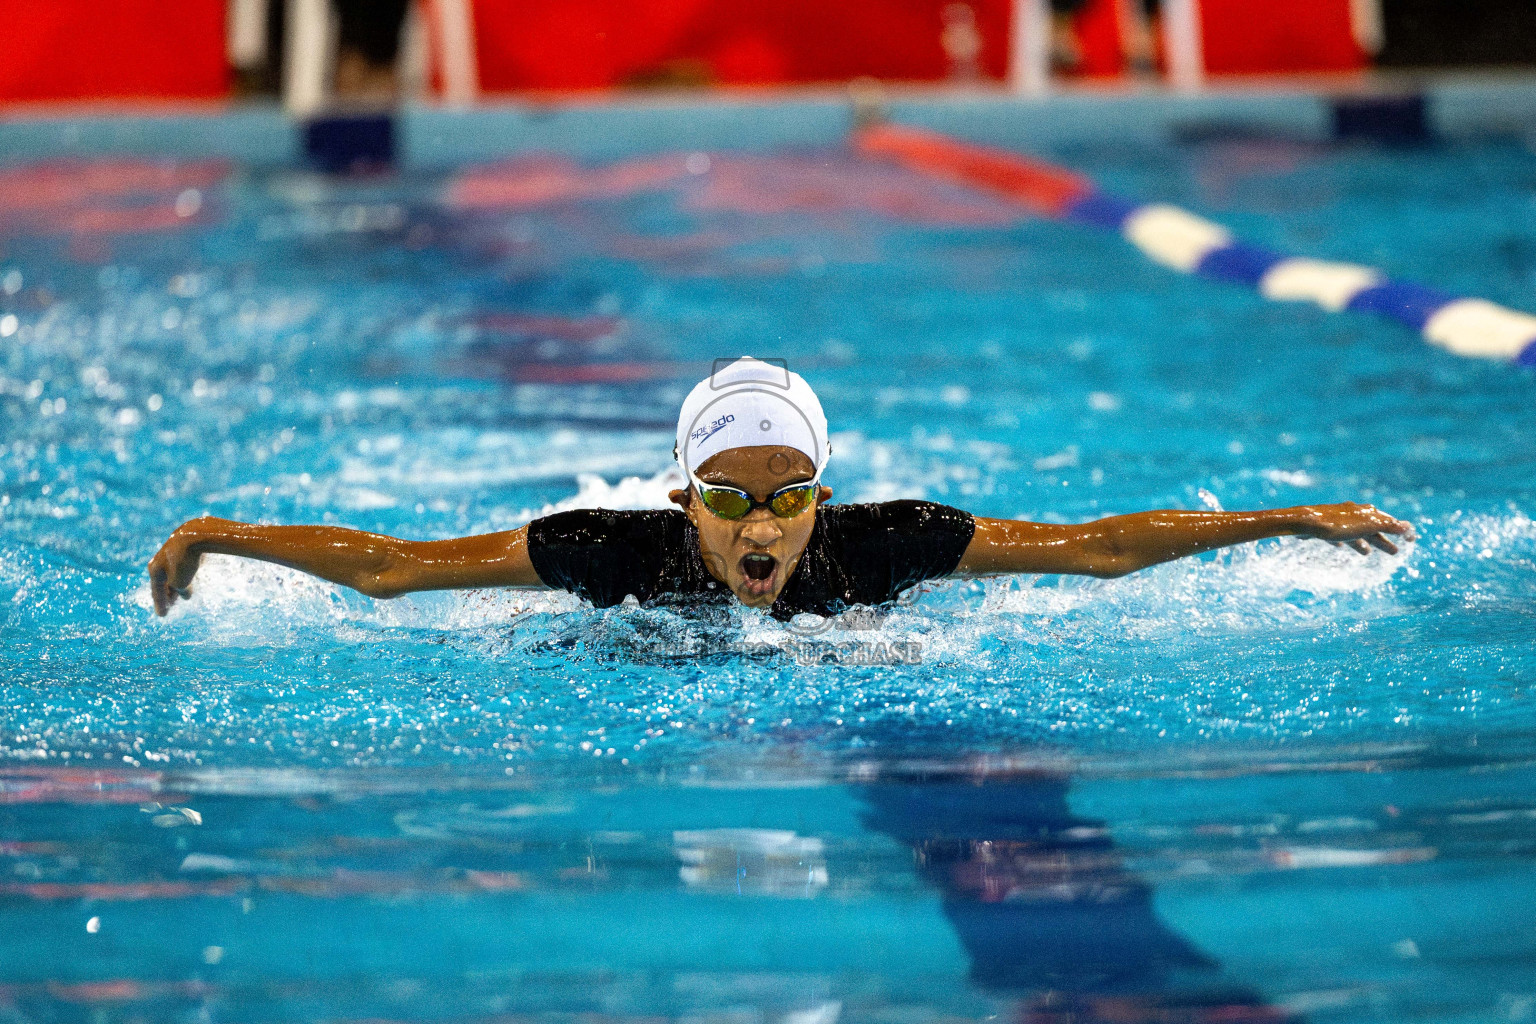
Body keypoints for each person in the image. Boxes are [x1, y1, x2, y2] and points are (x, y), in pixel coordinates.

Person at [148, 358, 1414, 620]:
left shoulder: (886, 544)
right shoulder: (611, 549)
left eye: (789, 493)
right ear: (684, 492)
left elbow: (1090, 548)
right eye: (731, 496)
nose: (762, 525)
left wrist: (1291, 515)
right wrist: (218, 532)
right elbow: (398, 567)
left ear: (827, 490)